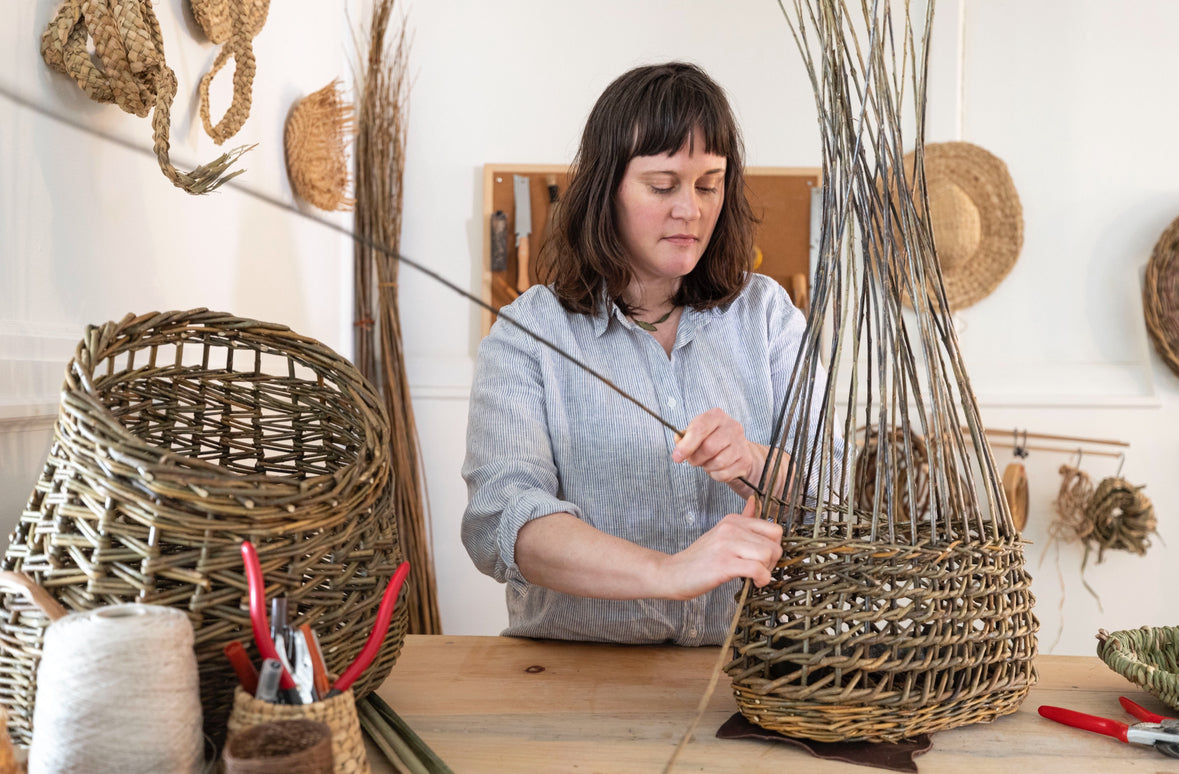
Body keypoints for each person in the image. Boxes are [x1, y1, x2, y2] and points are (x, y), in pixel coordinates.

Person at [462, 61, 815, 646]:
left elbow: (832, 493)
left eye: (709, 184)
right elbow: (500, 522)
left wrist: (755, 461)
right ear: (608, 189)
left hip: (755, 678)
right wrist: (669, 573)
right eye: (662, 185)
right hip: (573, 682)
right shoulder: (529, 334)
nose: (692, 210)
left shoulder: (768, 316)